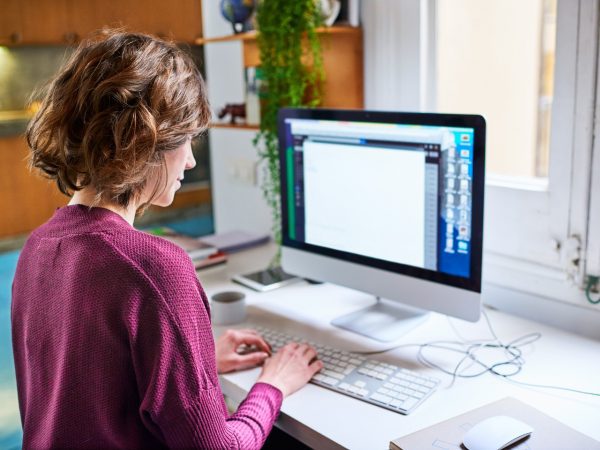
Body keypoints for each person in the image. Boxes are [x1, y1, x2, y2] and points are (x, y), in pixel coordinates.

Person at [11, 30, 322, 449]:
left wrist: (195, 364)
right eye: (187, 140)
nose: (191, 159)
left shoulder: (37, 248)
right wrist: (273, 385)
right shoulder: (154, 268)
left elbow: (87, 391)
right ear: (147, 143)